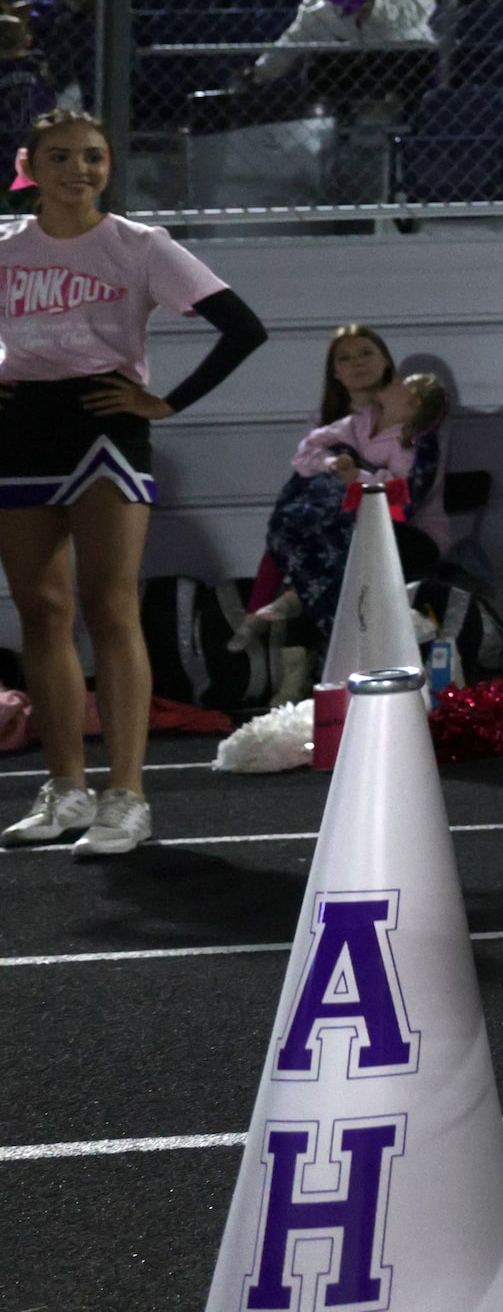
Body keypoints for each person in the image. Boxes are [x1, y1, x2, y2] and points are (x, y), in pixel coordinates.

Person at [0, 110, 267, 857]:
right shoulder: (6, 247)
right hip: (20, 430)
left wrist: (167, 403)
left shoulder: (139, 245)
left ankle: (127, 795)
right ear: (31, 165)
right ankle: (66, 788)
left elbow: (243, 327)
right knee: (42, 613)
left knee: (110, 606)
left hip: (104, 425)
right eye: (60, 157)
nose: (77, 170)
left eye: (92, 157)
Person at [248, 328, 451, 642]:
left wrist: (354, 474)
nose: (357, 363)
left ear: (386, 361)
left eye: (366, 353)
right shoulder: (336, 423)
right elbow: (305, 471)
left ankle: (343, 637)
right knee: (299, 516)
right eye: (345, 358)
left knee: (329, 543)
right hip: (342, 517)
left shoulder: (415, 425)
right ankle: (280, 634)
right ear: (336, 373)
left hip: (405, 527)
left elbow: (406, 497)